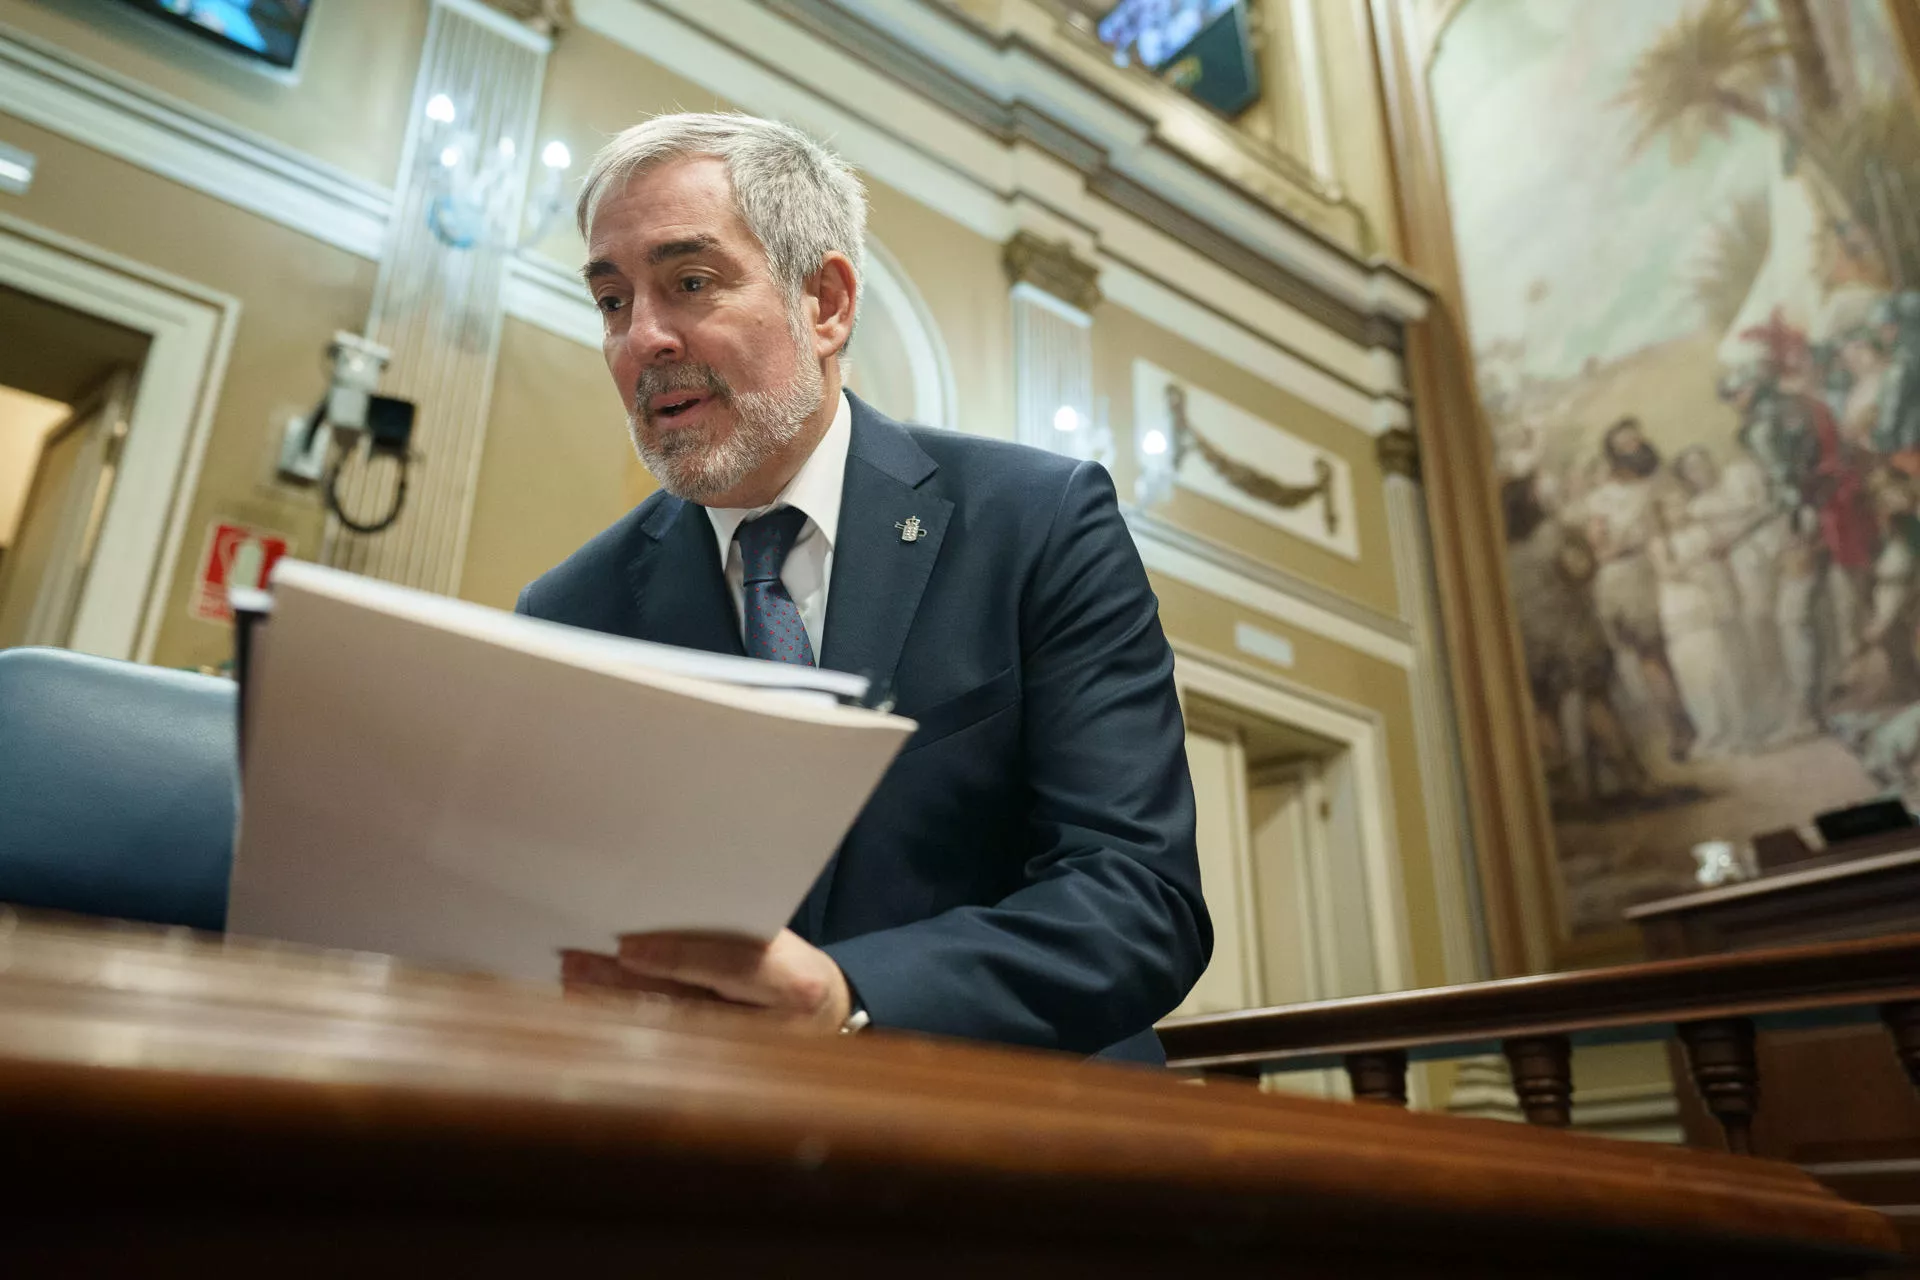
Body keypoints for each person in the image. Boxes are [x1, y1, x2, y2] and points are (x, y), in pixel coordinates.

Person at [514, 113, 1210, 1064]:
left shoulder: (1037, 523)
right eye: (610, 301)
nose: (643, 341)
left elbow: (1137, 900)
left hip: (1024, 1146)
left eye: (690, 284)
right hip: (700, 1155)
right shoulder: (568, 616)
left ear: (826, 302)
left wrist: (853, 997)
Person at [1582, 418, 1697, 760]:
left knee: (1662, 655)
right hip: (1625, 577)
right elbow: (1598, 543)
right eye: (1625, 445)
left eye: (1637, 440)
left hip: (1657, 568)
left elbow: (1679, 520)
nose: (1635, 448)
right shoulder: (1604, 496)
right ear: (1614, 455)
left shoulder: (1661, 483)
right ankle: (1676, 727)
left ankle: (1683, 725)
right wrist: (1615, 545)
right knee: (1648, 657)